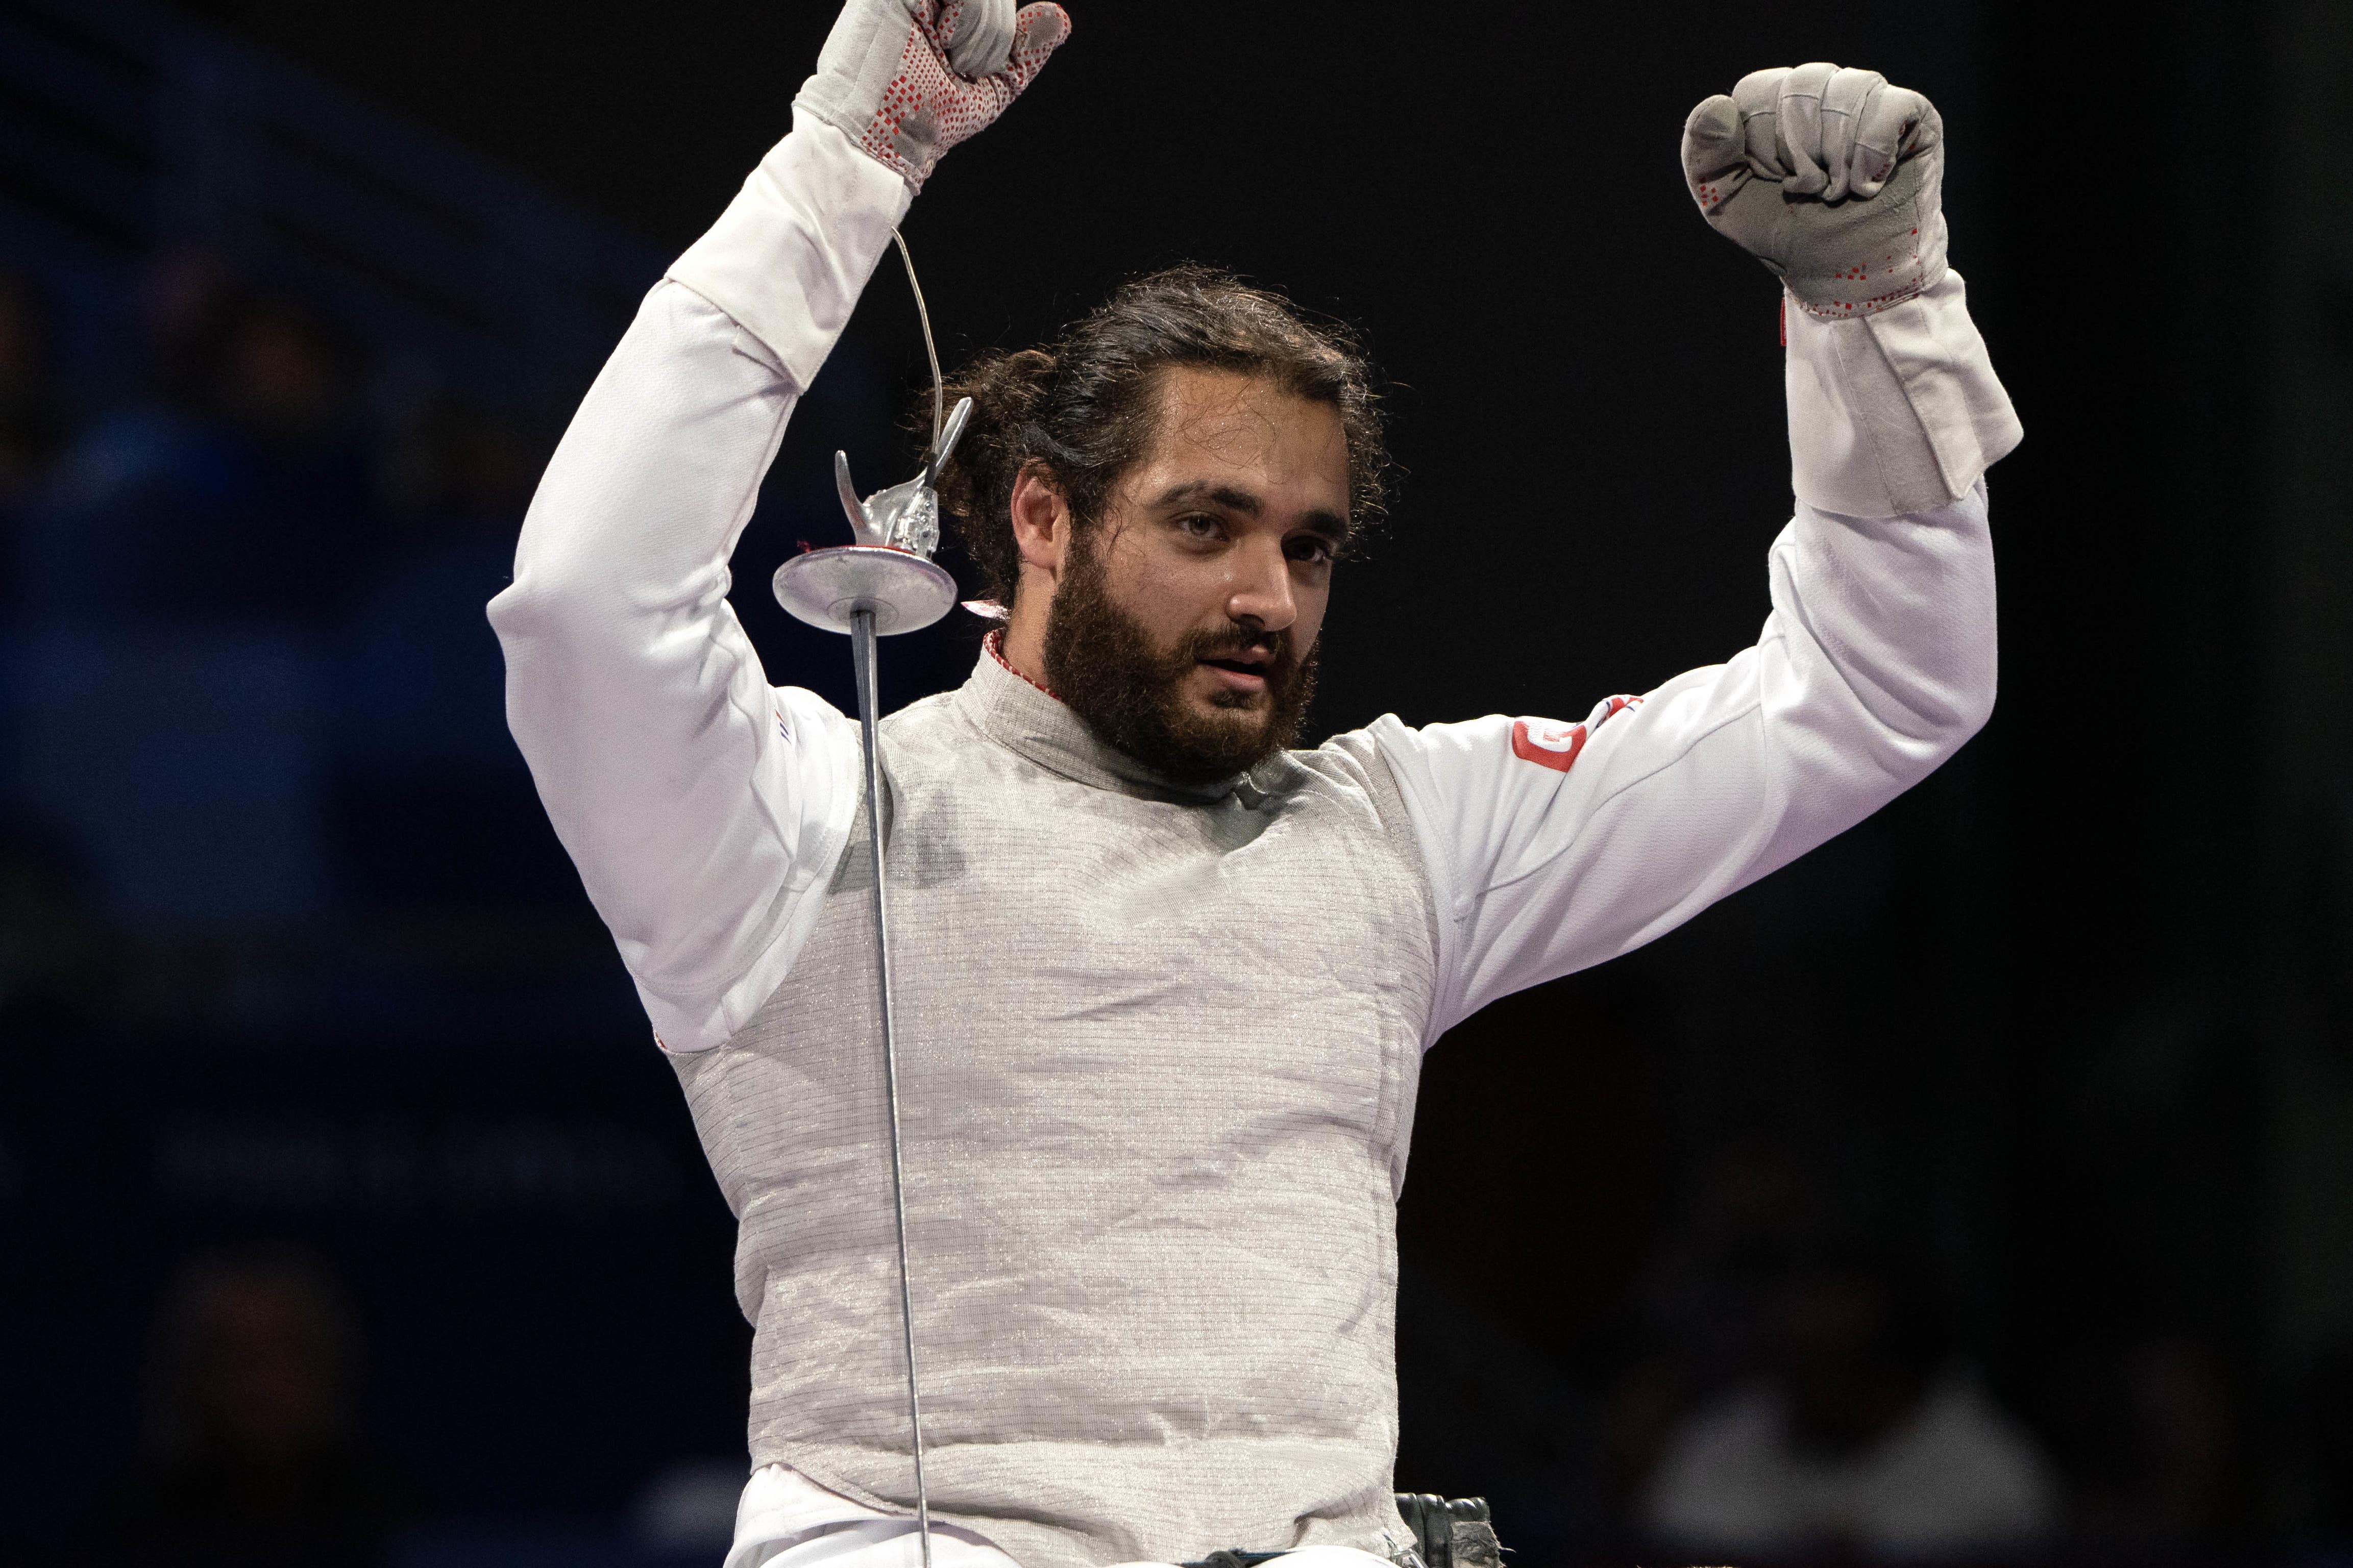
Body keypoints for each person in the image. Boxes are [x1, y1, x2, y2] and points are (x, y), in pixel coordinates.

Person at [489, 5, 2019, 1565]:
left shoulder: (1400, 834)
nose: (1267, 598)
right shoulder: (792, 822)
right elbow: (584, 605)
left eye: (1305, 546)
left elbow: (1875, 691)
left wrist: (1873, 308)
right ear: (1040, 517)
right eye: (1204, 524)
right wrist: (847, 163)